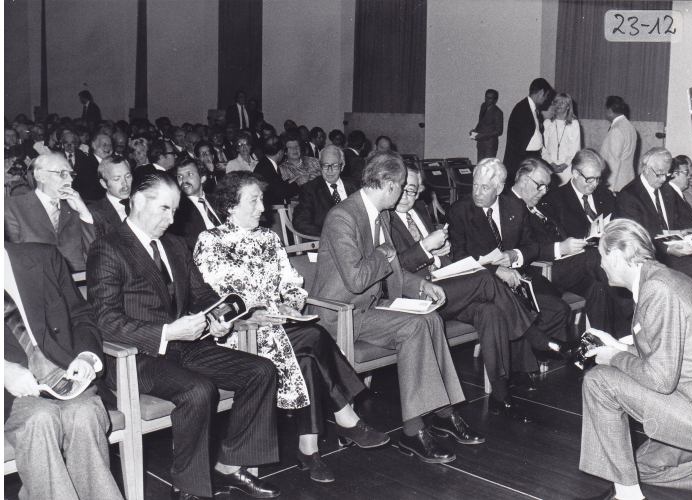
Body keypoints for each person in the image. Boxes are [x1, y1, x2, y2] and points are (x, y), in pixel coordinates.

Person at [87, 171, 281, 499]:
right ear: (135, 201)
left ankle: (230, 467)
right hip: (137, 356)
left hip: (185, 345)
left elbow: (202, 295)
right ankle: (188, 489)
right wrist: (165, 331)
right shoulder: (108, 248)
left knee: (261, 371)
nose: (171, 218)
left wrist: (218, 318)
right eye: (164, 209)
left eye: (175, 210)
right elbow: (105, 321)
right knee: (198, 391)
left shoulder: (175, 245)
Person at [193, 172, 389, 483]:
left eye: (262, 200)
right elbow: (223, 298)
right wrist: (258, 312)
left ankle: (309, 448)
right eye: (254, 201)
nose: (262, 208)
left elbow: (292, 285)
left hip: (281, 329)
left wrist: (291, 303)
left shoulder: (270, 239)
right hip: (239, 334)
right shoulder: (211, 242)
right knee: (312, 337)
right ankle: (345, 416)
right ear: (230, 206)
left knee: (308, 352)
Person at [310, 150, 485, 465]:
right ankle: (412, 430)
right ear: (388, 184)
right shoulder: (343, 217)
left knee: (430, 319)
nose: (406, 192)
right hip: (342, 314)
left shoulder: (382, 215)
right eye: (403, 185)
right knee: (415, 326)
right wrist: (385, 251)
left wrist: (421, 286)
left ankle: (443, 411)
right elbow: (356, 278)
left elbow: (392, 270)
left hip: (372, 306)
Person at [390, 165, 562, 422]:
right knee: (485, 277)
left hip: (446, 287)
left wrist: (441, 253)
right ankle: (534, 335)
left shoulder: (421, 212)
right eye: (402, 189)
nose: (406, 195)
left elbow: (450, 254)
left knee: (491, 311)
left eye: (412, 190)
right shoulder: (385, 219)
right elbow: (393, 270)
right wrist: (426, 248)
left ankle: (500, 396)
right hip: (417, 295)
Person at [578, 219, 692, 500]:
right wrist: (617, 345)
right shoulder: (659, 278)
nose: (602, 264)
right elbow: (665, 354)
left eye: (603, 256)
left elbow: (660, 379)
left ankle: (627, 496)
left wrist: (614, 356)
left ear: (618, 256)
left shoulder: (658, 290)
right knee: (642, 467)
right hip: (688, 393)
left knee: (598, 381)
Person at [4, 242, 123, 500]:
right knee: (40, 418)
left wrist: (86, 356)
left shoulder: (43, 256)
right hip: (10, 394)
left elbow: (80, 315)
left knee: (85, 413)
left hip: (64, 375)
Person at [448, 158, 572, 346]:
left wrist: (515, 254)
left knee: (559, 309)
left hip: (518, 278)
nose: (477, 193)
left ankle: (548, 354)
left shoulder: (515, 206)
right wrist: (496, 270)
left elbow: (532, 246)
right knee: (519, 312)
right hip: (484, 283)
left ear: (498, 189)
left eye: (484, 188)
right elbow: (458, 256)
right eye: (475, 186)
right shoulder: (460, 211)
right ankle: (536, 351)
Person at [511, 157, 614, 332]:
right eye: (540, 185)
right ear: (524, 180)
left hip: (566, 265)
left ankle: (602, 344)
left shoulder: (538, 205)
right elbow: (523, 248)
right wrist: (561, 248)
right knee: (597, 256)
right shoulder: (510, 207)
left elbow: (559, 232)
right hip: (543, 269)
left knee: (598, 288)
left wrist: (577, 243)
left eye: (546, 186)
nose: (544, 191)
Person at [5, 153, 95, 272]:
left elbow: (96, 254)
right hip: (37, 283)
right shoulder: (12, 207)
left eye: (71, 174)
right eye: (63, 173)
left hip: (79, 282)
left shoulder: (76, 207)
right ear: (40, 175)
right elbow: (15, 260)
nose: (70, 179)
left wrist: (84, 213)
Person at [614, 147, 692, 279]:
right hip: (650, 256)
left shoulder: (667, 189)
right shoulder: (629, 195)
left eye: (668, 173)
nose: (664, 179)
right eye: (659, 173)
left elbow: (679, 220)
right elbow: (637, 237)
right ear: (645, 168)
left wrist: (682, 233)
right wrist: (667, 249)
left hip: (674, 248)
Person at [293, 145, 360, 237]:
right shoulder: (310, 189)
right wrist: (330, 233)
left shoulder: (355, 186)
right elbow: (300, 222)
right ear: (320, 166)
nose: (329, 170)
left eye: (335, 165)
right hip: (325, 242)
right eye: (325, 165)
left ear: (342, 166)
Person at [503, 78, 554, 184]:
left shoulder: (534, 111)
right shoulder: (522, 109)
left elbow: (536, 137)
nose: (546, 100)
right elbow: (517, 144)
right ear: (541, 93)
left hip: (532, 157)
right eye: (546, 96)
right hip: (523, 160)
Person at [169, 157, 222, 250]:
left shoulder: (217, 200)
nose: (184, 180)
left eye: (189, 174)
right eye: (180, 176)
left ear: (202, 178)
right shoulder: (178, 212)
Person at [600, 96, 638, 193]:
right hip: (627, 180)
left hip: (617, 184)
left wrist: (609, 187)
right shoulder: (630, 127)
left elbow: (613, 160)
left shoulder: (616, 129)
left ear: (609, 110)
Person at [541, 93, 581, 186]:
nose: (559, 105)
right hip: (549, 167)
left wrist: (566, 164)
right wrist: (551, 163)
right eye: (556, 102)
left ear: (568, 107)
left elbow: (576, 149)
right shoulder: (547, 123)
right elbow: (543, 148)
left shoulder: (574, 124)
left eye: (562, 102)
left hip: (568, 168)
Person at [89, 155, 133, 238]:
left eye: (128, 176)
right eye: (117, 179)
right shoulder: (95, 213)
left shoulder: (142, 203)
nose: (125, 183)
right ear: (104, 184)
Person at [254, 135, 300, 207]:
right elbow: (280, 192)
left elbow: (275, 185)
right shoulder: (266, 168)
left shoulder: (266, 163)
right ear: (279, 152)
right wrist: (297, 184)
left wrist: (288, 182)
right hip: (269, 209)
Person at [470, 89, 503, 161]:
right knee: (479, 165)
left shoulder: (498, 112)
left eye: (490, 98)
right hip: (480, 143)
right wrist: (474, 132)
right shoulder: (483, 106)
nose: (487, 100)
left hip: (490, 145)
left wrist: (484, 135)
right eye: (486, 97)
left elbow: (499, 131)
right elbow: (481, 122)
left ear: (495, 100)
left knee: (488, 166)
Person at [669, 155, 692, 220]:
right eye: (686, 172)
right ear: (674, 174)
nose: (689, 177)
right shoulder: (669, 195)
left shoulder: (679, 194)